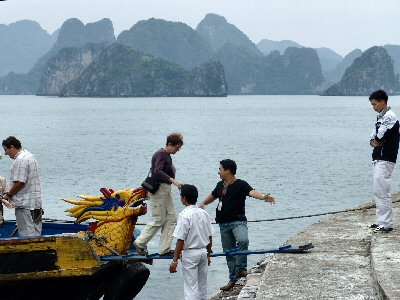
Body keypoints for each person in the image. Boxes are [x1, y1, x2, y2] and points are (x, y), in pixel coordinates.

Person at [199, 159, 276, 291]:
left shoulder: (241, 184)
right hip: (223, 224)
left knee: (243, 240)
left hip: (238, 221)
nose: (218, 172)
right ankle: (232, 279)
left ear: (228, 171)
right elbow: (213, 196)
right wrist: (202, 204)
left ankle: (241, 269)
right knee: (229, 253)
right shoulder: (220, 185)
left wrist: (263, 196)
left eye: (220, 169)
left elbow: (252, 192)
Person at [134, 132, 184, 255]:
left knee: (172, 218)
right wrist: (174, 181)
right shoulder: (161, 154)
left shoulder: (167, 156)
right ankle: (140, 243)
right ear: (170, 144)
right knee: (159, 219)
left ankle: (164, 248)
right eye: (177, 147)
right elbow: (157, 171)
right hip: (159, 190)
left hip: (166, 190)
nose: (177, 151)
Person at [169, 184, 213, 300]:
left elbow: (180, 240)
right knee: (202, 286)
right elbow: (210, 238)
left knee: (190, 288)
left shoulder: (184, 215)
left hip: (190, 254)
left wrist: (175, 260)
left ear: (184, 198)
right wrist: (208, 255)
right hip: (203, 252)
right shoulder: (204, 213)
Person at [368, 90, 399, 233]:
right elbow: (372, 139)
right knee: (378, 190)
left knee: (382, 190)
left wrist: (378, 141)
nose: (373, 106)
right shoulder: (381, 117)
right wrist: (376, 142)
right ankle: (381, 221)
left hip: (386, 157)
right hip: (378, 157)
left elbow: (379, 137)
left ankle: (387, 224)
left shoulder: (389, 117)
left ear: (383, 102)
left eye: (374, 104)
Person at [1, 136, 43, 237]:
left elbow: (20, 182)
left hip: (25, 205)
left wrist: (8, 195)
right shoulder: (30, 156)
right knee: (36, 233)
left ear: (12, 147)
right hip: (36, 204)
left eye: (6, 150)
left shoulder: (20, 160)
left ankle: (31, 252)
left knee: (26, 235)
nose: (6, 153)